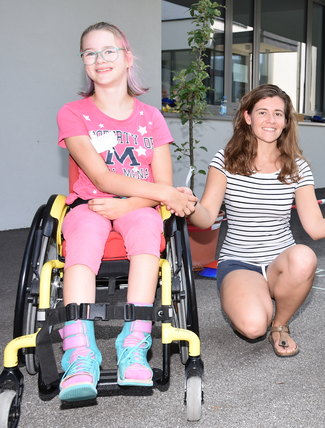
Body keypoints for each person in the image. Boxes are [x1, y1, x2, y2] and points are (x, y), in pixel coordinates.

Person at [56, 22, 197, 402]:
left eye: (109, 51)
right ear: (84, 62)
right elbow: (101, 176)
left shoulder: (151, 117)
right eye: (91, 53)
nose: (100, 59)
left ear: (127, 57)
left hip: (138, 206)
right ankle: (79, 352)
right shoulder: (73, 113)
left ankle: (134, 344)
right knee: (83, 235)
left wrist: (134, 203)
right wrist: (166, 193)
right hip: (92, 203)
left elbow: (161, 182)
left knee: (149, 229)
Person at [185, 84, 325, 357]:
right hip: (240, 262)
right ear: (248, 117)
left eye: (278, 114)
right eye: (262, 112)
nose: (270, 120)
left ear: (286, 122)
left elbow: (316, 228)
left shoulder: (296, 167)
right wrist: (190, 204)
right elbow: (206, 218)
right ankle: (255, 300)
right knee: (252, 328)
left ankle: (281, 325)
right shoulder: (225, 161)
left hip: (280, 260)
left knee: (304, 257)